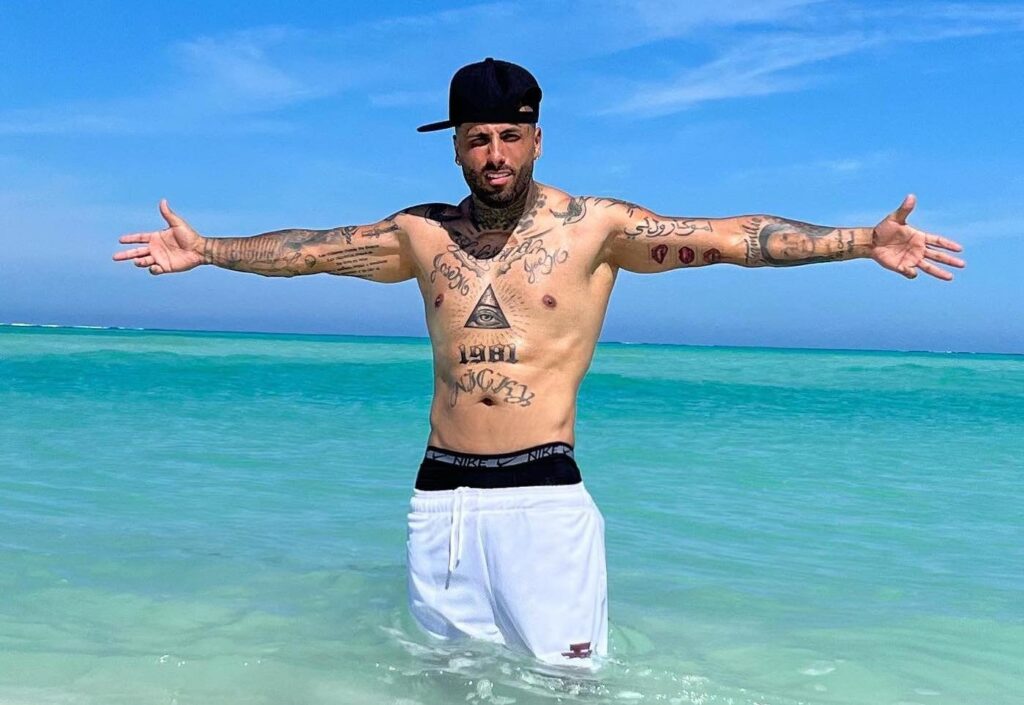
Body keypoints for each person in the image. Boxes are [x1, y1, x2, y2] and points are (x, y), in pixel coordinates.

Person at [112, 57, 965, 668]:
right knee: (448, 680)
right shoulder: (421, 234)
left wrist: (862, 240)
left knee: (565, 683)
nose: (495, 154)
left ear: (537, 140)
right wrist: (207, 250)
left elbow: (732, 237)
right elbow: (309, 251)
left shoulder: (596, 229)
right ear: (455, 147)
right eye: (478, 138)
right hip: (439, 498)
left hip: (543, 497)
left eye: (510, 137)